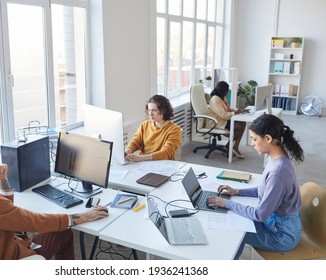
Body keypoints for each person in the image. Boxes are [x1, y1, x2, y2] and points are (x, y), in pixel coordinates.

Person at [0, 140, 109, 260]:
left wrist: (2, 180)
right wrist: (82, 217)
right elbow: (34, 221)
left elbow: (5, 214)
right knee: (64, 234)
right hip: (10, 259)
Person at [206, 114, 304, 259]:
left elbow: (259, 214)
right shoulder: (277, 158)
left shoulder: (278, 171)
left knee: (235, 230)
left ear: (268, 139)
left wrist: (227, 203)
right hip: (275, 223)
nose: (252, 143)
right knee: (237, 219)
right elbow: (264, 190)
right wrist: (237, 192)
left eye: (254, 139)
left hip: (281, 235)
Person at [124, 94, 182, 162]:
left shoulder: (174, 130)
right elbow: (135, 141)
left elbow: (166, 153)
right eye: (149, 110)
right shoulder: (145, 125)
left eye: (154, 110)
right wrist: (127, 151)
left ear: (163, 110)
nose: (150, 114)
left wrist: (141, 158)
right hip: (142, 163)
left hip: (161, 165)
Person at [206, 81, 249, 159]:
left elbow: (227, 109)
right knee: (239, 127)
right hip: (216, 122)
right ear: (223, 91)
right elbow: (224, 115)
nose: (227, 92)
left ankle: (232, 147)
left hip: (222, 119)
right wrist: (235, 113)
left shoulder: (221, 97)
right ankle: (231, 147)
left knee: (242, 122)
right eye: (227, 91)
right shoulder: (215, 100)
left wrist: (238, 110)